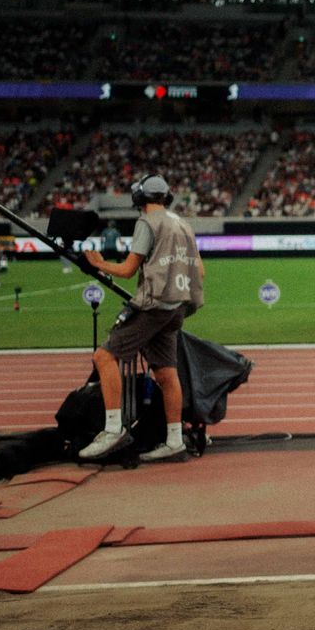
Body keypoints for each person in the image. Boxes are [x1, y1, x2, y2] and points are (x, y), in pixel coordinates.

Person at [79, 174, 205, 463]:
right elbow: (200, 270)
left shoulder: (147, 223)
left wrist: (98, 263)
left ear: (139, 199)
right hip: (177, 307)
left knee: (104, 357)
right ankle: (174, 441)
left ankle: (113, 430)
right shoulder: (183, 224)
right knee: (165, 373)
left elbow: (126, 270)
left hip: (154, 305)